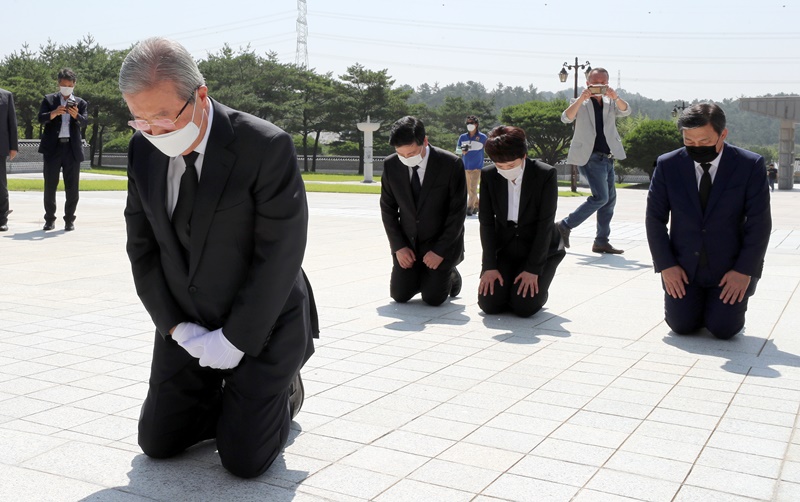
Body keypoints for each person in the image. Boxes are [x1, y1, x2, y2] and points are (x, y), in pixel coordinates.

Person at [119, 37, 318, 478]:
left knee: (244, 461)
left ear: (200, 96)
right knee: (158, 443)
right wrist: (175, 327)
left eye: (165, 119)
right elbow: (142, 247)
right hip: (187, 321)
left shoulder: (264, 146)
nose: (155, 132)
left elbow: (280, 255)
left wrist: (235, 341)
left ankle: (282, 390)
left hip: (261, 322)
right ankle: (224, 396)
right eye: (141, 121)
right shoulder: (143, 150)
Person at [646, 103, 771, 340]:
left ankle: (716, 309)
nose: (696, 148)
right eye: (689, 142)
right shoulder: (667, 164)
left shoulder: (749, 165)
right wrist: (666, 265)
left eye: (703, 142)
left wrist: (743, 271)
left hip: (729, 268)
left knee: (724, 330)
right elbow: (654, 219)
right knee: (681, 326)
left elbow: (759, 223)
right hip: (683, 268)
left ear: (722, 134)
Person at [478, 126, 565, 317]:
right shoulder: (489, 175)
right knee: (489, 305)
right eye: (500, 165)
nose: (505, 170)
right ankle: (509, 287)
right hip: (506, 248)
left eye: (510, 165)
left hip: (539, 247)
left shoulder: (545, 174)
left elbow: (545, 224)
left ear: (524, 155)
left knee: (525, 307)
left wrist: (533, 269)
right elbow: (486, 222)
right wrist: (489, 266)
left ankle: (540, 290)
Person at [380, 116, 467, 306]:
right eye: (400, 154)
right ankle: (423, 274)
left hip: (439, 243)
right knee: (400, 295)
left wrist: (440, 251)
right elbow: (388, 209)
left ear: (425, 141)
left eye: (411, 154)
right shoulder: (391, 165)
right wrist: (399, 247)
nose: (405, 159)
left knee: (433, 298)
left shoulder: (451, 164)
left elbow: (457, 213)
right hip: (408, 243)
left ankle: (450, 272)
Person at [557, 67, 631, 254]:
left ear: (607, 83)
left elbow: (626, 111)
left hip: (608, 156)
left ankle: (601, 241)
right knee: (601, 198)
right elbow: (566, 118)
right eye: (595, 82)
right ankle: (565, 225)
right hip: (590, 156)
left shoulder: (610, 102)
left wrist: (615, 97)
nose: (598, 85)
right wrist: (582, 98)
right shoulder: (579, 102)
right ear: (588, 83)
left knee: (609, 201)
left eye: (602, 82)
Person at [38, 68, 88, 231]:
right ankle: (49, 219)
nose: (66, 88)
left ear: (74, 84)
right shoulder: (49, 99)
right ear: (58, 84)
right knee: (50, 185)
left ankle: (69, 220)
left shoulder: (81, 103)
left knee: (72, 187)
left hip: (71, 149)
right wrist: (53, 113)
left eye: (69, 85)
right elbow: (40, 118)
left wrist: (76, 116)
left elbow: (85, 122)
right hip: (53, 148)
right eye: (63, 85)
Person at [457, 115, 487, 216]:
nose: (469, 125)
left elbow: (488, 149)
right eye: (468, 123)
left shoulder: (482, 137)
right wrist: (462, 151)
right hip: (465, 167)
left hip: (477, 167)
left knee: (473, 188)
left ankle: (469, 207)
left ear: (476, 124)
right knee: (469, 188)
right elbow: (457, 150)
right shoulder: (462, 137)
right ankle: (478, 204)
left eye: (471, 123)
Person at [0, 86, 18, 232]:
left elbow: (12, 122)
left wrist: (13, 146)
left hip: (0, 147)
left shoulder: (6, 96)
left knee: (1, 185)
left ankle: (2, 219)